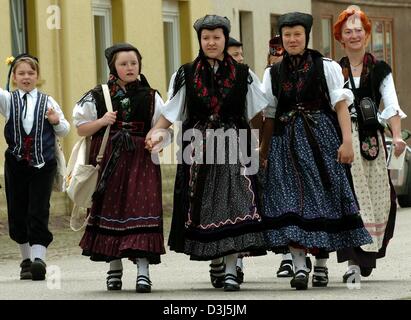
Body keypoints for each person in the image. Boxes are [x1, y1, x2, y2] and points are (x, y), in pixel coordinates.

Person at [146, 14, 268, 292]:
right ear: (200, 40)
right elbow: (172, 111)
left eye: (216, 37)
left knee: (237, 203)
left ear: (225, 39)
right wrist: (157, 132)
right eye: (206, 38)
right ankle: (216, 257)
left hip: (234, 144)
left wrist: (261, 145)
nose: (211, 42)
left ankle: (230, 268)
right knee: (205, 205)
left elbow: (256, 112)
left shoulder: (243, 73)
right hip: (198, 146)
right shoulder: (186, 73)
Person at [260, 12, 373, 290]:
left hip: (321, 140)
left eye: (297, 34)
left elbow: (341, 105)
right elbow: (270, 115)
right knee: (289, 202)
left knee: (323, 201)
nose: (292, 39)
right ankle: (300, 266)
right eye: (287, 35)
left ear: (306, 36)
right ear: (281, 39)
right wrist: (263, 150)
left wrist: (347, 142)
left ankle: (321, 264)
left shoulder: (326, 66)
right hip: (285, 143)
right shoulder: (272, 73)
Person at [73, 43, 165, 293]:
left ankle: (143, 272)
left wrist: (157, 140)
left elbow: (163, 127)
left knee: (142, 209)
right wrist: (102, 121)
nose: (129, 68)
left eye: (133, 63)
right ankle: (114, 268)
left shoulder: (151, 95)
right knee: (111, 210)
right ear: (113, 66)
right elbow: (80, 128)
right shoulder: (97, 94)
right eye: (123, 64)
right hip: (109, 158)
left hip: (141, 159)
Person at [332, 6, 407, 283]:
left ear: (366, 34)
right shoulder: (333, 70)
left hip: (371, 142)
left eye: (358, 30)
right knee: (349, 199)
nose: (354, 35)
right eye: (347, 31)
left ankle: (367, 255)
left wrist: (397, 137)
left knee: (378, 199)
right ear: (340, 37)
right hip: (345, 141)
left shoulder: (380, 69)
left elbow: (391, 103)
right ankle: (353, 259)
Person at [0, 54, 70, 281]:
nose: (26, 77)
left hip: (42, 163)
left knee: (38, 209)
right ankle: (26, 260)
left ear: (37, 76)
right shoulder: (8, 100)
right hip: (16, 163)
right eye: (21, 73)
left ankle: (39, 258)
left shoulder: (48, 101)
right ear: (14, 78)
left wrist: (56, 121)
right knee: (18, 211)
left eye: (31, 73)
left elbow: (65, 131)